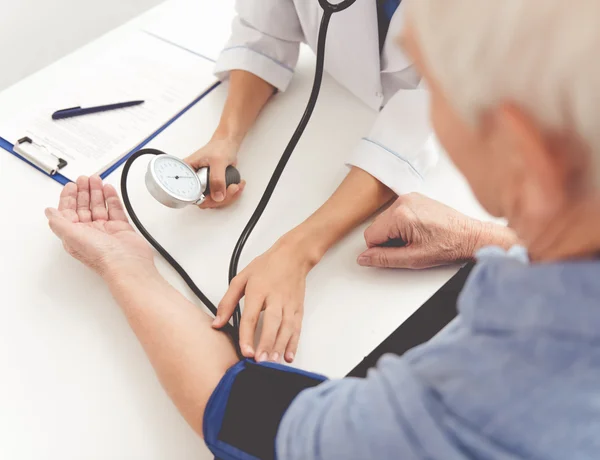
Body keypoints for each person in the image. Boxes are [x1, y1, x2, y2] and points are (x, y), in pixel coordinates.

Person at [45, 0, 600, 458]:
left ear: (522, 152)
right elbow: (263, 30)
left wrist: (124, 264)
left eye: (438, 83)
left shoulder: (464, 407)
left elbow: (248, 417)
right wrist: (491, 238)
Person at [184, 0, 517, 364]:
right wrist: (226, 137)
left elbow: (417, 124)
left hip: (460, 165)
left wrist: (299, 249)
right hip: (338, 113)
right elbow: (262, 35)